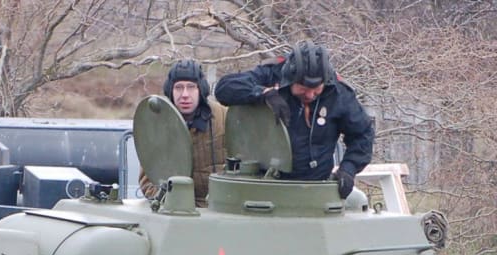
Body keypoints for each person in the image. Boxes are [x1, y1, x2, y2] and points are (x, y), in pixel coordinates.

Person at [214, 40, 375, 193]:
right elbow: (224, 89)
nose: (310, 95)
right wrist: (262, 93)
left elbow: (363, 133)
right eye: (303, 88)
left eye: (316, 89)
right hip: (264, 183)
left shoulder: (338, 93)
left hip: (314, 185)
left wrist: (348, 168)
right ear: (291, 79)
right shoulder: (272, 74)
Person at [138, 58, 227, 207]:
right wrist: (170, 202)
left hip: (218, 207)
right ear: (170, 91)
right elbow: (148, 181)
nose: (185, 94)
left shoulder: (223, 117)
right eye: (178, 87)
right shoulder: (158, 124)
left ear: (201, 89)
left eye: (191, 87)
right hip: (175, 210)